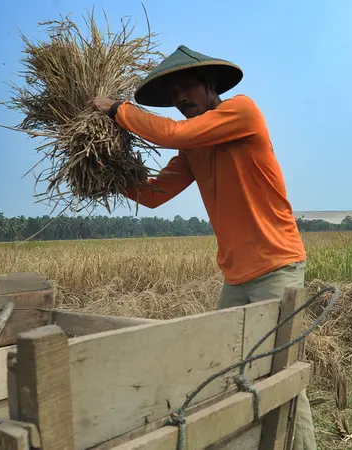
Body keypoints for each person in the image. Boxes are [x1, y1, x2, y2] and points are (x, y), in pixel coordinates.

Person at [89, 45, 316, 450]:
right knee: (225, 367)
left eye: (187, 87)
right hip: (236, 274)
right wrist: (103, 172)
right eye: (173, 93)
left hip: (277, 265)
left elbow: (171, 132)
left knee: (281, 375)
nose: (180, 98)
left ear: (211, 86)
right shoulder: (193, 147)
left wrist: (116, 110)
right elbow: (154, 193)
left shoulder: (241, 112)